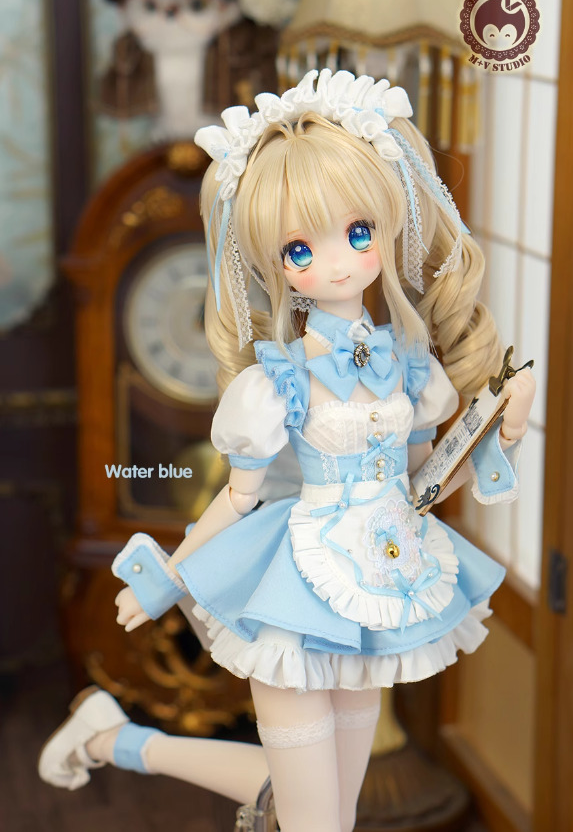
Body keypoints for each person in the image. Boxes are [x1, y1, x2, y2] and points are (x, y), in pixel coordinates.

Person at [39, 69, 535, 832]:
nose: (337, 263)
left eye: (358, 232)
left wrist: (499, 429)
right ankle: (113, 736)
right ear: (275, 263)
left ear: (387, 224)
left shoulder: (408, 365)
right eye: (301, 248)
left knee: (320, 807)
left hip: (375, 593)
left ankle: (111, 738)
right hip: (296, 591)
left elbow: (421, 484)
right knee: (315, 820)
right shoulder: (276, 383)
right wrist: (167, 578)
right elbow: (237, 497)